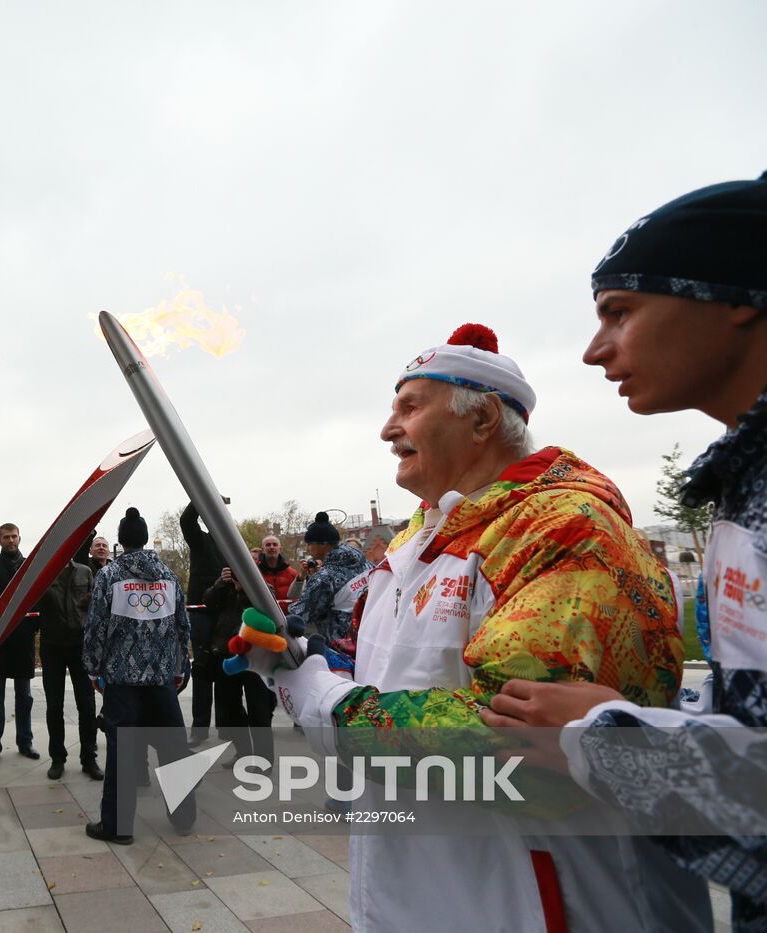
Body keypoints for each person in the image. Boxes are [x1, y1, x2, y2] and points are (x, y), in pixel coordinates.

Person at [250, 324, 709, 931]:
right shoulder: (417, 538)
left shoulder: (567, 531)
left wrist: (329, 707)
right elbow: (391, 669)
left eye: (410, 408)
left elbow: (523, 754)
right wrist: (303, 661)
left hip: (534, 901)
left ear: (483, 417)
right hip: (414, 889)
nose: (389, 430)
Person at [480, 173, 767, 930]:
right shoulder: (744, 485)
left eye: (621, 311)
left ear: (737, 297)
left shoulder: (574, 522)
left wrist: (606, 739)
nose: (592, 349)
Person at [83, 507, 193, 845]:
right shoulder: (168, 576)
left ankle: (117, 826)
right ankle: (185, 818)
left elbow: (97, 627)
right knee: (174, 748)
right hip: (161, 679)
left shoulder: (109, 576)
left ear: (121, 540)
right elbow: (182, 626)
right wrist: (182, 666)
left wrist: (92, 667)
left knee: (122, 752)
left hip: (122, 680)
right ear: (145, 539)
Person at [0, 522, 40, 763]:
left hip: (23, 640)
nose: (11, 540)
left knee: (24, 697)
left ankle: (26, 742)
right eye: (6, 537)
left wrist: (33, 626)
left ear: (19, 538)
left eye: (14, 536)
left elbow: (38, 598)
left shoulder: (30, 565)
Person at [35, 559, 102, 781]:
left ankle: (89, 758)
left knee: (87, 703)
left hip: (80, 645)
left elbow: (95, 604)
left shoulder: (84, 571)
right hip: (52, 644)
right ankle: (57, 758)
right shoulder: (44, 572)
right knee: (54, 705)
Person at [204, 565, 275, 765]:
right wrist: (220, 583)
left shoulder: (262, 587)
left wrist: (244, 589)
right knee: (230, 709)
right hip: (227, 653)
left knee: (259, 710)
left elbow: (266, 608)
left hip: (255, 657)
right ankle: (243, 754)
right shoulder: (224, 587)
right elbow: (207, 601)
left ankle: (263, 760)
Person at [284, 512, 372, 645]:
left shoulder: (325, 578)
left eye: (309, 544)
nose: (308, 549)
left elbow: (300, 613)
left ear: (323, 544)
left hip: (345, 647)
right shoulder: (366, 563)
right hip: (373, 634)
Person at [180, 501, 224, 745]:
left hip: (227, 613)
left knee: (228, 672)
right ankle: (200, 728)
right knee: (203, 669)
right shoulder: (200, 540)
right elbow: (186, 521)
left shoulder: (231, 544)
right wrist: (201, 498)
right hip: (202, 613)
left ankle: (228, 728)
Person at [256, 534, 296, 604]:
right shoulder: (254, 573)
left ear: (280, 549)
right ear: (262, 550)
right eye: (268, 545)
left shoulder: (292, 574)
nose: (271, 547)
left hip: (287, 614)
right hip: (263, 614)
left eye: (275, 544)